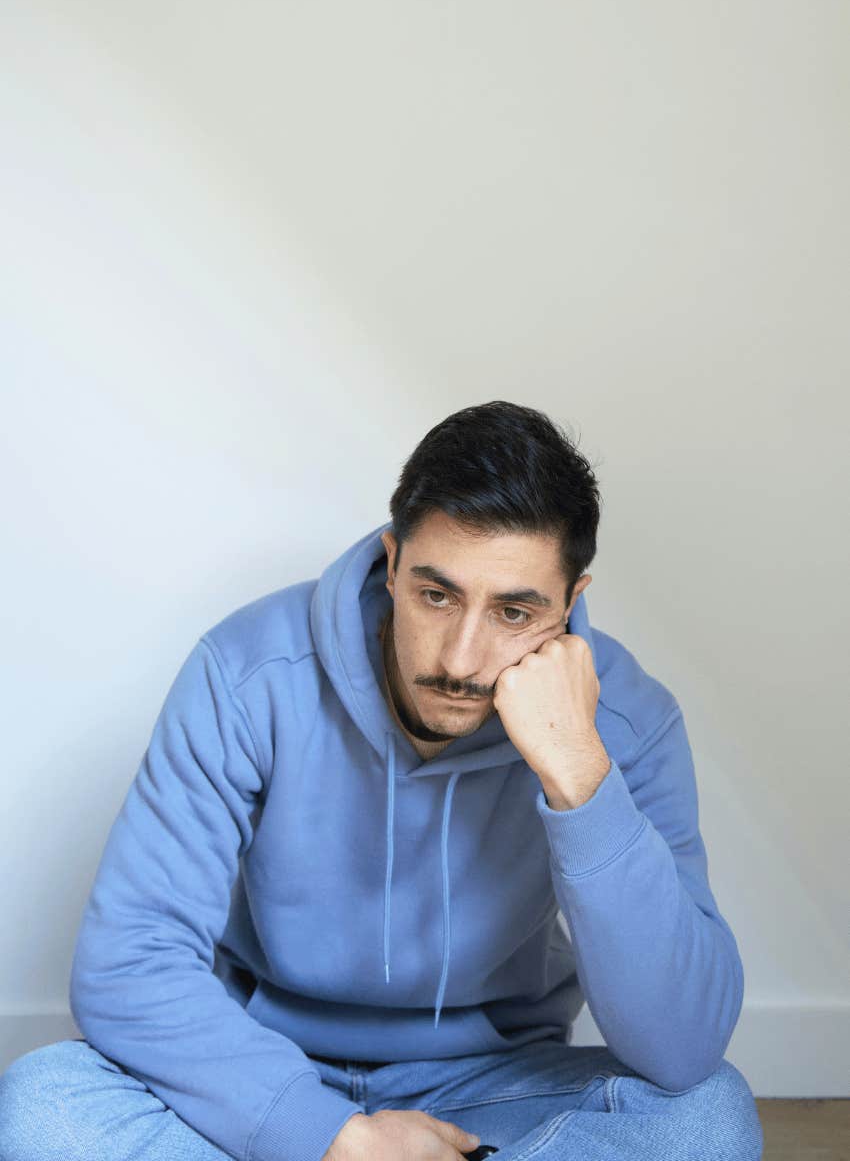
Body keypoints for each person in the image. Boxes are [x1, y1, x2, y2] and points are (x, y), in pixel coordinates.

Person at [0, 400, 763, 1160]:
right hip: (256, 1072)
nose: (461, 660)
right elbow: (129, 961)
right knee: (44, 1110)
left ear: (570, 605)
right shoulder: (247, 673)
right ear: (392, 565)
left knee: (707, 1119)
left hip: (488, 1087)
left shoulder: (628, 722)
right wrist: (332, 1139)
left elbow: (681, 1045)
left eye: (514, 613)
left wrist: (578, 774)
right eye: (438, 595)